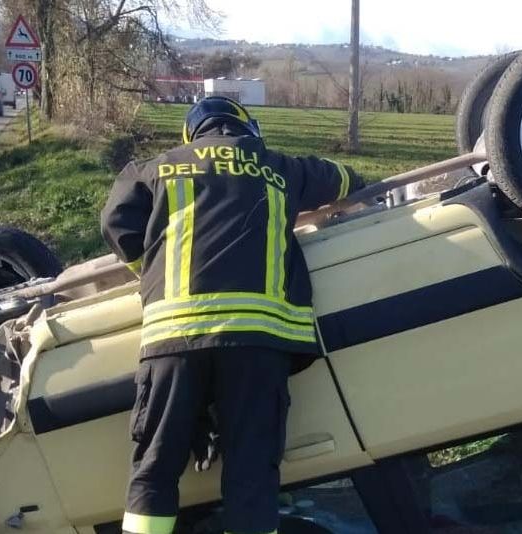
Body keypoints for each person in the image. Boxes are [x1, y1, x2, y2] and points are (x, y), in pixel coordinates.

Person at [101, 96, 365, 534]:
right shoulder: (281, 166)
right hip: (258, 345)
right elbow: (341, 179)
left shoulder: (154, 168)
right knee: (252, 476)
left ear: (191, 135)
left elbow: (116, 220)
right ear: (249, 129)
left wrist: (149, 272)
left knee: (155, 467)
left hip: (173, 339)